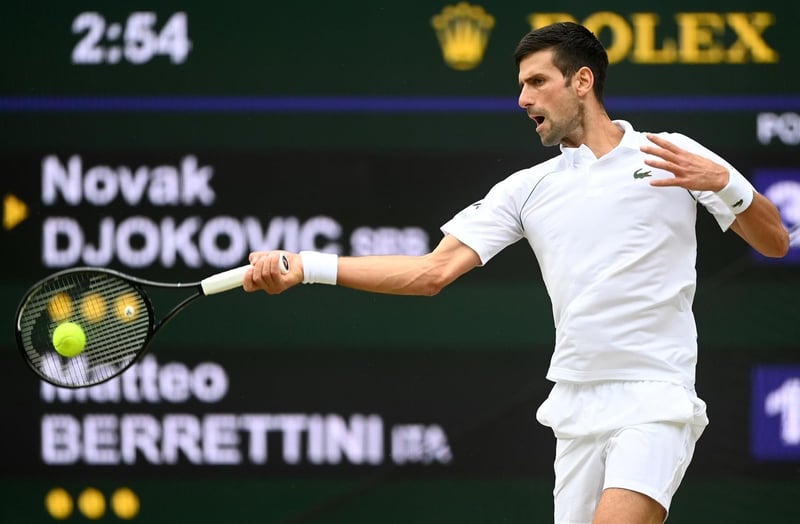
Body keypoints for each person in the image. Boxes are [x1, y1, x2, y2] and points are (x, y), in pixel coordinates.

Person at [242, 22, 789, 524]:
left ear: (581, 81)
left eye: (536, 81)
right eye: (521, 85)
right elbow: (434, 271)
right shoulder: (526, 188)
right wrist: (306, 267)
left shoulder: (673, 153)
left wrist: (723, 182)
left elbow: (775, 242)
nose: (522, 98)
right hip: (574, 404)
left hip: (656, 395)